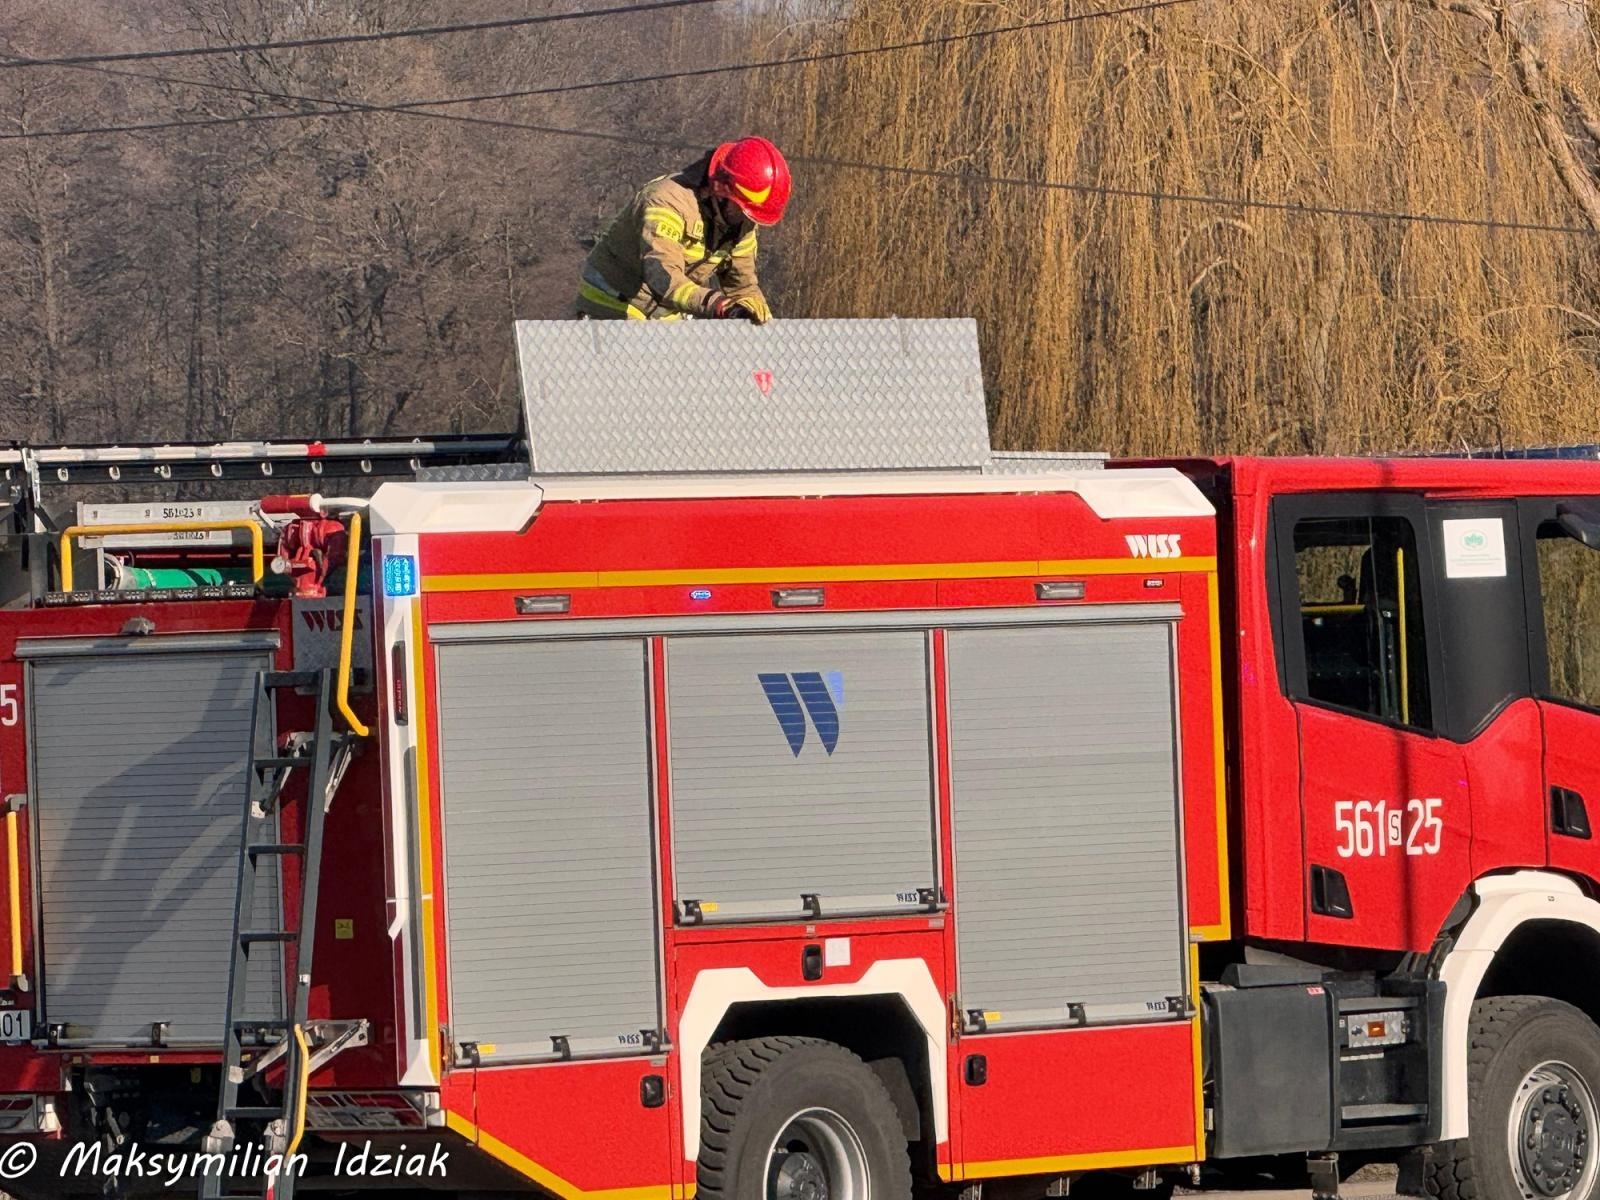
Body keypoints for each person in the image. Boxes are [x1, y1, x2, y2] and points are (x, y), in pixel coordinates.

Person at [576, 136, 790, 323]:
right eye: (743, 209)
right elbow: (662, 278)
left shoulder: (741, 223)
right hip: (612, 300)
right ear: (720, 189)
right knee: (637, 367)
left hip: (663, 313)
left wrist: (755, 317)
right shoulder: (666, 201)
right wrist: (719, 305)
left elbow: (742, 287)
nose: (747, 221)